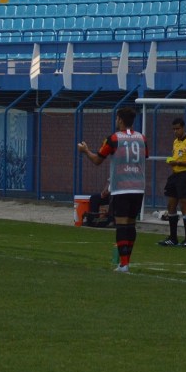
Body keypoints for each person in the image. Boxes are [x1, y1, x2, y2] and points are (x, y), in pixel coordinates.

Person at [77, 107, 147, 273]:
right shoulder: (142, 138)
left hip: (121, 188)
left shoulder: (113, 139)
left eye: (116, 119)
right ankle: (126, 261)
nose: (116, 121)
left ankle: (123, 265)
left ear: (120, 120)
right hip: (138, 187)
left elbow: (97, 160)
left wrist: (85, 150)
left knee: (122, 225)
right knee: (131, 225)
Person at [157, 117, 186, 247]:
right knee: (171, 205)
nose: (175, 131)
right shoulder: (175, 142)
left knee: (184, 204)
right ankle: (173, 238)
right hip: (175, 175)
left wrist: (178, 162)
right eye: (174, 129)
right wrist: (172, 162)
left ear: (183, 127)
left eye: (178, 129)